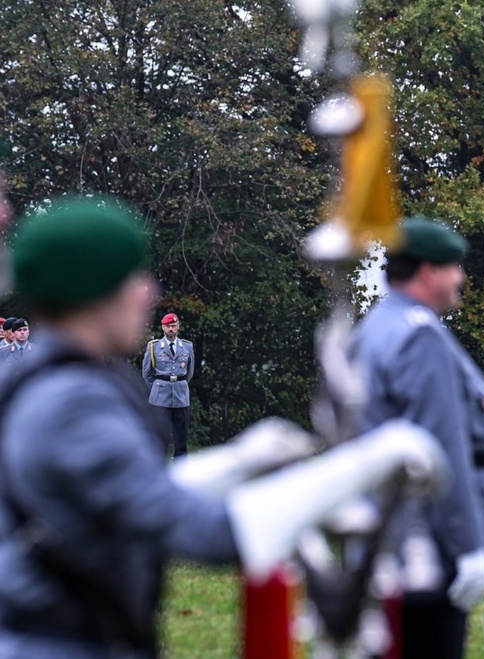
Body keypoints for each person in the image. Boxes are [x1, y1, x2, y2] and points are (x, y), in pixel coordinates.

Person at [0, 197, 447, 658]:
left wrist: (238, 461)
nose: (148, 292)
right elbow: (209, 534)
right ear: (92, 289)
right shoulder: (73, 402)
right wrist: (366, 462)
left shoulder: (48, 381)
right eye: (133, 275)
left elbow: (137, 494)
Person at [354, 215, 484, 658]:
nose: (460, 277)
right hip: (427, 545)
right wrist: (469, 547)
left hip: (389, 534)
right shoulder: (421, 338)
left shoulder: (377, 327)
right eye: (453, 266)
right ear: (426, 272)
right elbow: (441, 451)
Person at [142, 313, 195, 458]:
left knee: (181, 437)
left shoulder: (187, 347)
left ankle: (181, 466)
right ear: (163, 328)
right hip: (160, 397)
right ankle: (158, 466)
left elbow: (189, 372)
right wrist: (159, 386)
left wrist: (178, 385)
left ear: (178, 326)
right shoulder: (154, 347)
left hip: (180, 396)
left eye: (173, 326)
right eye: (167, 326)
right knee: (158, 436)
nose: (171, 329)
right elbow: (147, 373)